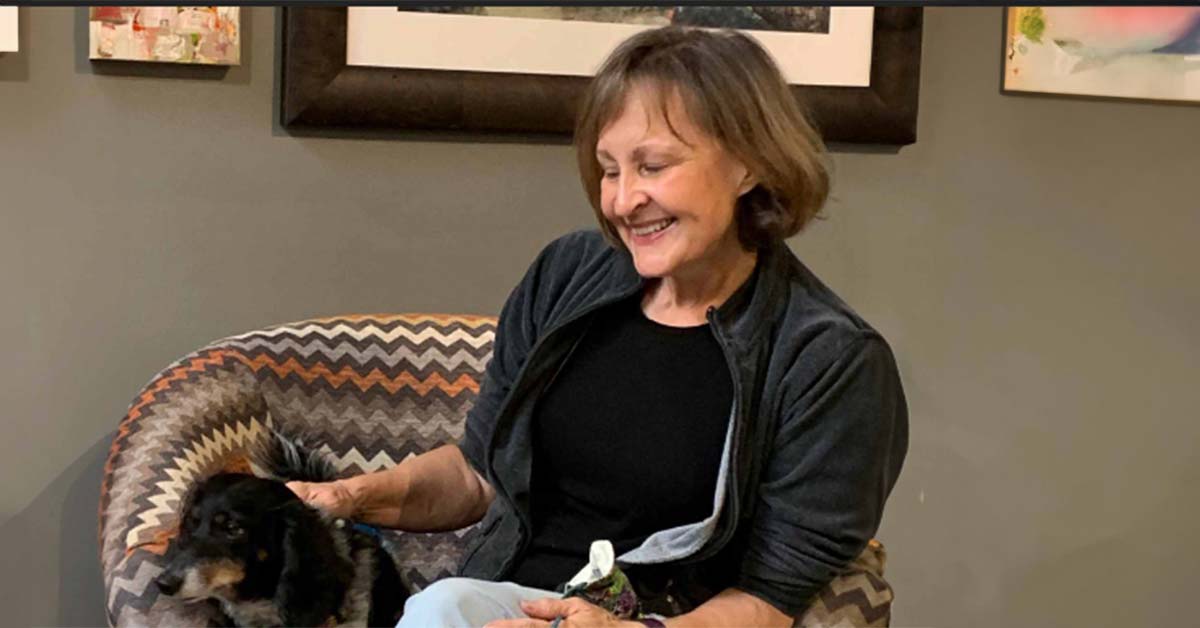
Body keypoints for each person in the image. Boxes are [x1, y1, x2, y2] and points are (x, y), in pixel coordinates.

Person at [289, 25, 908, 628]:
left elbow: (768, 602)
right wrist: (350, 498)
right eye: (610, 169)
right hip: (507, 604)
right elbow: (479, 471)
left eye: (653, 166)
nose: (622, 200)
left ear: (748, 164)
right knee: (444, 608)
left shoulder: (831, 360)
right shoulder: (568, 274)